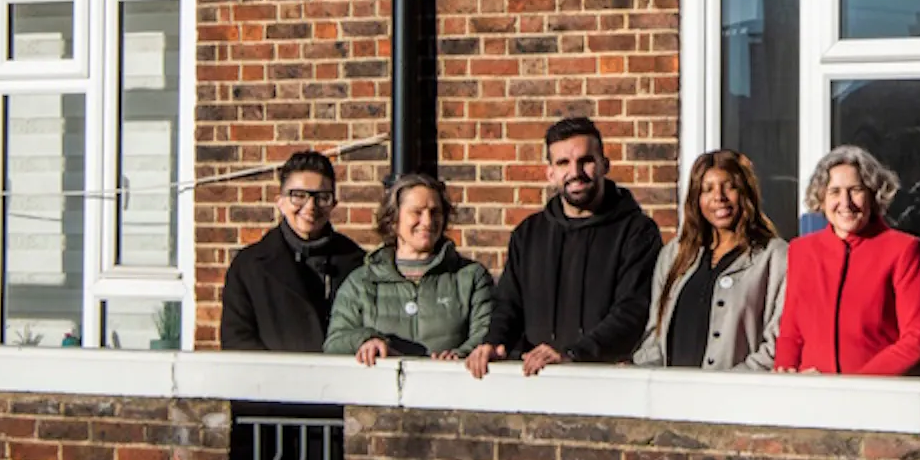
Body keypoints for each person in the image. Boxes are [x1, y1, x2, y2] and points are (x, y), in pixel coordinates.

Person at [465, 116, 663, 377]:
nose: (575, 172)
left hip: (608, 380)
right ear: (550, 173)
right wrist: (492, 343)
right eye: (563, 163)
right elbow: (508, 304)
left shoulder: (637, 232)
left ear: (605, 165)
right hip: (535, 378)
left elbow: (633, 312)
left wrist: (574, 354)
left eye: (586, 161)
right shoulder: (528, 234)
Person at [774, 145, 920, 376]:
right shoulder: (801, 250)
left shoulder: (903, 250)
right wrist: (786, 373)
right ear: (821, 197)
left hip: (876, 395)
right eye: (834, 191)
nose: (845, 202)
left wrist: (858, 384)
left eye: (856, 190)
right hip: (811, 395)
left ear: (873, 194)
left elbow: (918, 335)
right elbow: (791, 332)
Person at [633, 149, 788, 370]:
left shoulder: (775, 257)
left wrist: (727, 387)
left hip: (737, 398)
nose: (719, 197)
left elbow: (775, 344)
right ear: (696, 198)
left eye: (729, 187)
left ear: (746, 192)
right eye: (707, 190)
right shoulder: (674, 254)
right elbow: (654, 335)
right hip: (672, 396)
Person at [324, 173, 492, 364]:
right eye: (417, 212)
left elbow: (486, 334)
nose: (427, 221)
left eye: (435, 212)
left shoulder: (470, 277)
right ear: (393, 220)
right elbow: (335, 342)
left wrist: (462, 355)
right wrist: (365, 340)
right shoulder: (361, 282)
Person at [220, 150, 364, 351]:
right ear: (280, 202)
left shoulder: (358, 264)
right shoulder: (249, 267)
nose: (311, 206)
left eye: (322, 197)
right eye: (298, 196)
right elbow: (237, 339)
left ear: (334, 204)